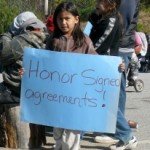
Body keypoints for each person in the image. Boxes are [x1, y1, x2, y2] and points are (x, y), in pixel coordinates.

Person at [46, 2, 97, 150]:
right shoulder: (53, 40)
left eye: (67, 18)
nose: (63, 23)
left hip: (76, 96)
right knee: (58, 130)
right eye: (60, 19)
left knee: (72, 134)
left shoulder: (84, 41)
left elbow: (98, 63)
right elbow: (43, 64)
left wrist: (115, 67)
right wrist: (30, 72)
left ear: (76, 19)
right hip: (57, 95)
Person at [87, 0, 138, 149]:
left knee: (106, 102)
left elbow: (98, 44)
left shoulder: (112, 20)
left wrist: (83, 55)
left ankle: (125, 134)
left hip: (105, 64)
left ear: (110, 4)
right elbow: (87, 34)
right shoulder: (99, 16)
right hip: (100, 61)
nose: (96, 3)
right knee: (96, 100)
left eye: (99, 1)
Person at [0, 11, 48, 103]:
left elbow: (4, 56)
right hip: (38, 89)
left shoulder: (23, 39)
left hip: (17, 89)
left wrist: (6, 35)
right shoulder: (46, 36)